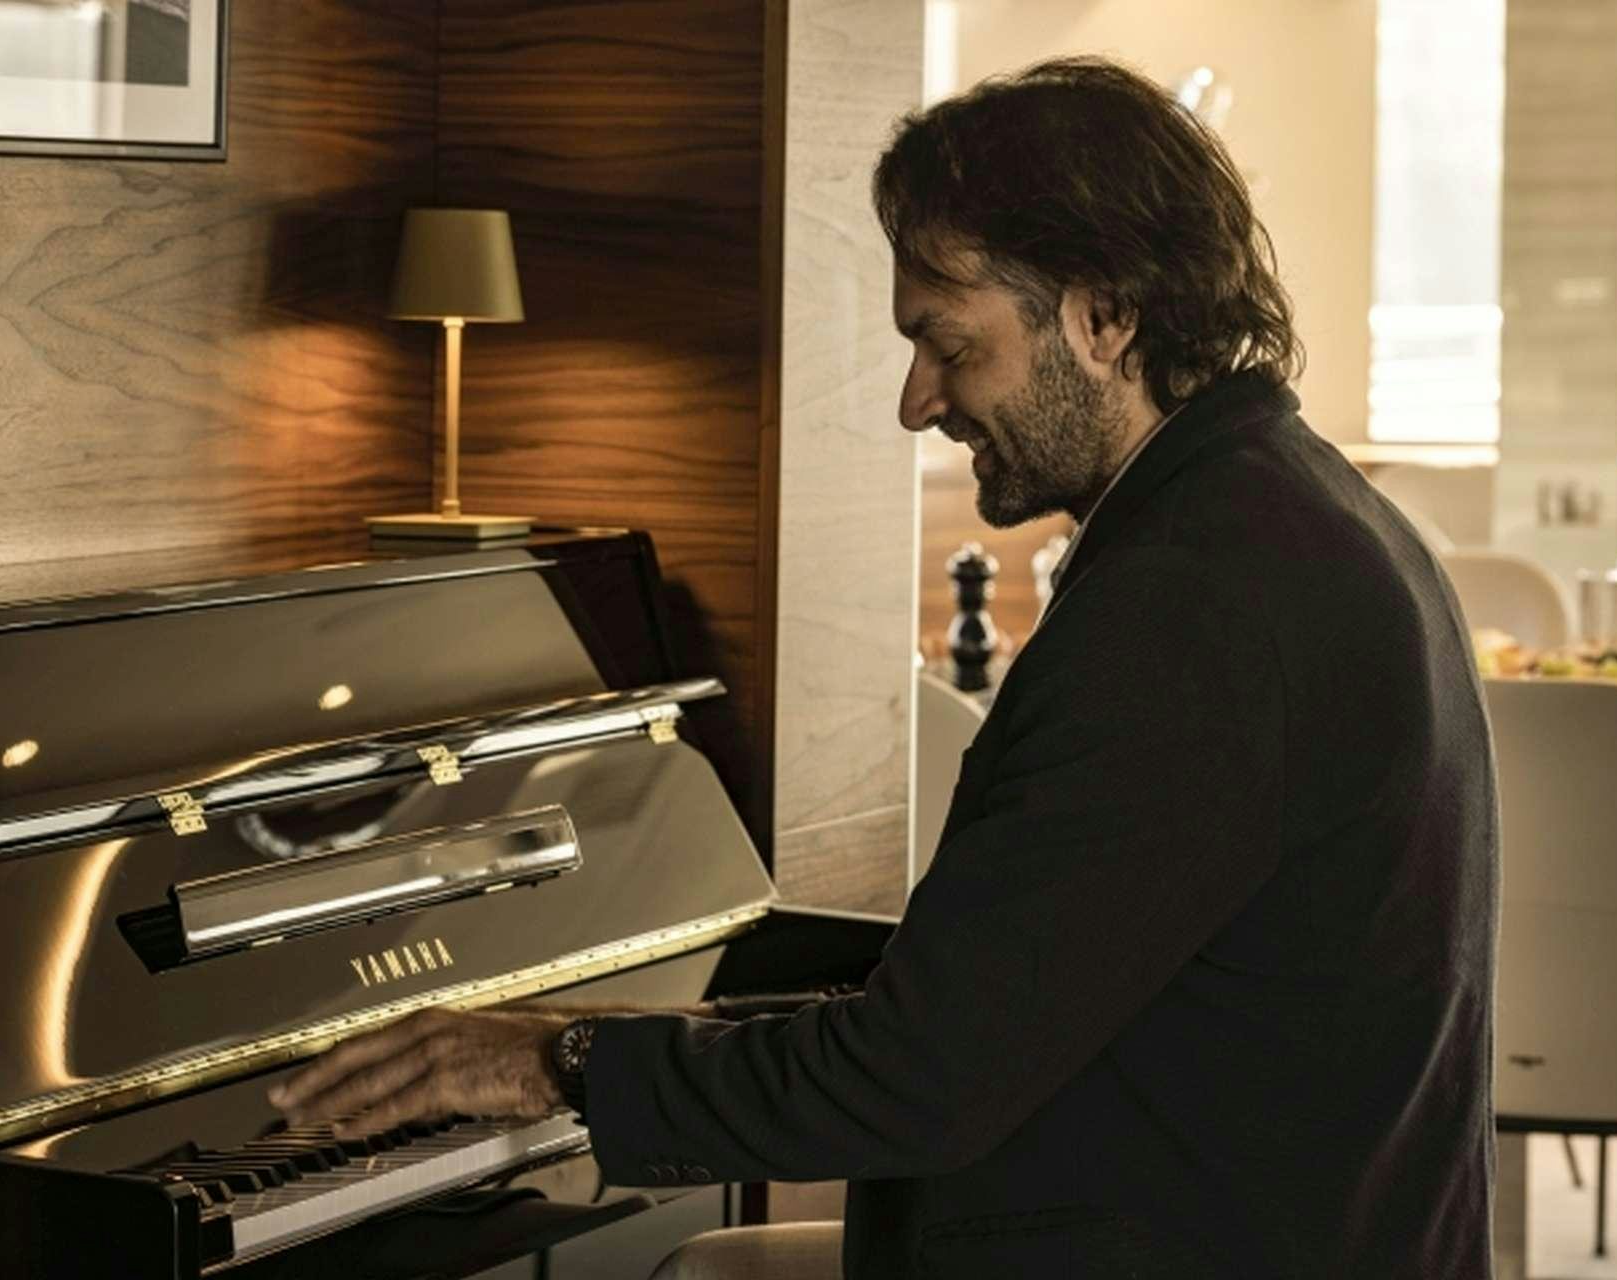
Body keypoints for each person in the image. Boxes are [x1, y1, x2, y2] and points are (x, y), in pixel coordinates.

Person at [270, 56, 1497, 1278]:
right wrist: (590, 1039)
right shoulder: (1291, 511)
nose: (919, 401)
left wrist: (553, 1060)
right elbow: (987, 1016)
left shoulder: (1192, 605)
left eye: (949, 345)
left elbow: (917, 1083)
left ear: (1105, 315)